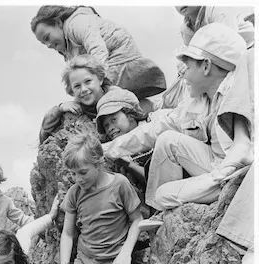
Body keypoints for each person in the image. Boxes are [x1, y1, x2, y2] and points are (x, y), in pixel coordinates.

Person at [103, 23, 254, 212]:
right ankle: (162, 213)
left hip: (238, 172)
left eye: (188, 66)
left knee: (165, 195)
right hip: (217, 168)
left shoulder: (240, 91)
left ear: (206, 66)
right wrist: (107, 149)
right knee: (167, 140)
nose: (184, 75)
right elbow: (153, 130)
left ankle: (225, 191)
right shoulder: (196, 102)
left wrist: (222, 175)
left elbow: (244, 146)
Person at [60, 131, 143, 264]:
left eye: (83, 172)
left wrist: (125, 253)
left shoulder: (119, 184)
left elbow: (137, 220)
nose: (78, 179)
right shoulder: (74, 193)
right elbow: (67, 234)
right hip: (84, 260)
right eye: (73, 174)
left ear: (98, 163)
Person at [31, 5, 166, 107]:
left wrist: (94, 84)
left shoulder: (76, 23)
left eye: (47, 37)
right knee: (120, 102)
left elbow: (98, 49)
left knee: (93, 101)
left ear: (58, 23)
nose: (48, 45)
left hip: (120, 59)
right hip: (110, 65)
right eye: (44, 43)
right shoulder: (68, 48)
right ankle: (152, 109)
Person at [39, 54, 112, 143]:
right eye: (77, 86)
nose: (84, 89)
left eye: (88, 81)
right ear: (72, 91)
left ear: (100, 79)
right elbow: (45, 131)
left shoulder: (116, 98)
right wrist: (59, 109)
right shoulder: (73, 110)